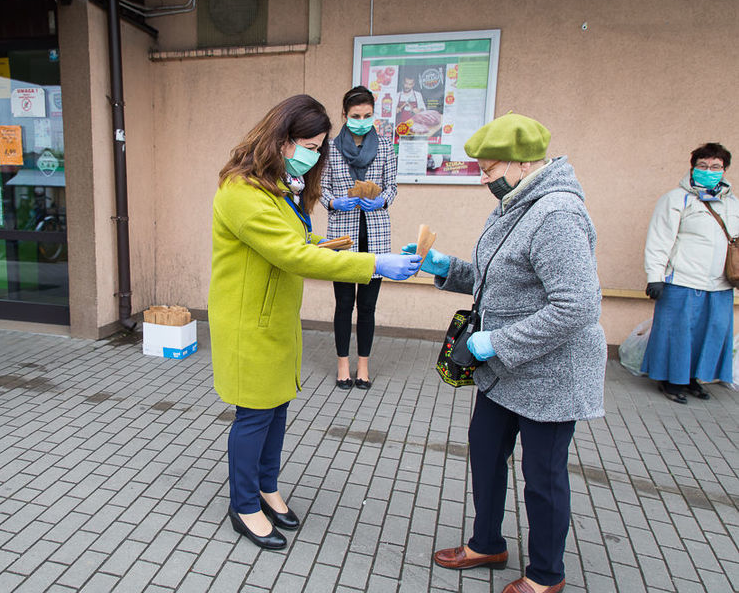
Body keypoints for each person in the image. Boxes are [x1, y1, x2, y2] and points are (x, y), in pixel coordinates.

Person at [209, 94, 421, 551]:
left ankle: (267, 488)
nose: (314, 153)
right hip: (249, 322)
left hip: (276, 317)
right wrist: (373, 264)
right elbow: (290, 253)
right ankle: (243, 504)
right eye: (308, 143)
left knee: (278, 406)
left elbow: (298, 240)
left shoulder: (280, 186)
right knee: (254, 414)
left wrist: (332, 242)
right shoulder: (242, 191)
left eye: (320, 145)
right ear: (280, 139)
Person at [408, 113, 606, 593]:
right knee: (485, 453)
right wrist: (445, 268)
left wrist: (498, 341)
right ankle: (487, 543)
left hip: (551, 376)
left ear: (522, 163)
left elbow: (576, 305)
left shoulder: (556, 213)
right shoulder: (516, 205)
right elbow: (496, 276)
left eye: (489, 168)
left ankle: (545, 576)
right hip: (502, 375)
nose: (483, 178)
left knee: (543, 478)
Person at [642, 142, 736, 403]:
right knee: (678, 334)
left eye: (716, 166)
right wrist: (655, 277)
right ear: (693, 168)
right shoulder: (676, 199)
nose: (709, 170)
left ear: (725, 170)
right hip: (683, 281)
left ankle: (694, 379)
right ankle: (671, 382)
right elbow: (659, 240)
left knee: (710, 333)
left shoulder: (732, 204)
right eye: (703, 165)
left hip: (719, 286)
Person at [320, 86, 398, 390]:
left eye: (367, 115)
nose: (362, 121)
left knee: (367, 305)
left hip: (375, 234)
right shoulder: (329, 148)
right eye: (356, 116)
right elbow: (321, 188)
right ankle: (342, 364)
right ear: (344, 115)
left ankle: (363, 365)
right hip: (343, 233)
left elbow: (392, 186)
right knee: (343, 303)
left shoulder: (385, 146)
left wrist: (382, 200)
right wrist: (334, 202)